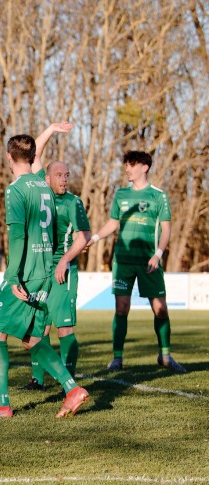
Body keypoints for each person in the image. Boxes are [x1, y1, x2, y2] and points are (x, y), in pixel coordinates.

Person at [0, 133, 89, 418]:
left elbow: (17, 236)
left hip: (24, 272)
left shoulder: (16, 189)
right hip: (44, 272)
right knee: (31, 337)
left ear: (8, 157)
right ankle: (71, 388)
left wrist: (13, 275)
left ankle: (2, 404)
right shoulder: (44, 186)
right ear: (31, 158)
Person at [85, 150, 185, 373]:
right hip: (123, 261)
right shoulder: (121, 195)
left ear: (144, 167)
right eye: (126, 165)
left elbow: (167, 229)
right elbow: (113, 224)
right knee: (122, 308)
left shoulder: (159, 196)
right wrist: (94, 238)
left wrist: (158, 254)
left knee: (160, 309)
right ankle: (117, 358)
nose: (127, 169)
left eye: (131, 164)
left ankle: (165, 356)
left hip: (149, 261)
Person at [19, 123, 91, 390]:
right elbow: (34, 155)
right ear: (46, 178)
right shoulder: (41, 192)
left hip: (63, 272)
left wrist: (65, 259)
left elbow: (85, 235)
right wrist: (50, 129)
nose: (64, 179)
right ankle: (37, 379)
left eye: (67, 175)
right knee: (38, 328)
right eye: (59, 174)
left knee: (65, 328)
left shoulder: (74, 202)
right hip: (39, 271)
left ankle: (68, 384)